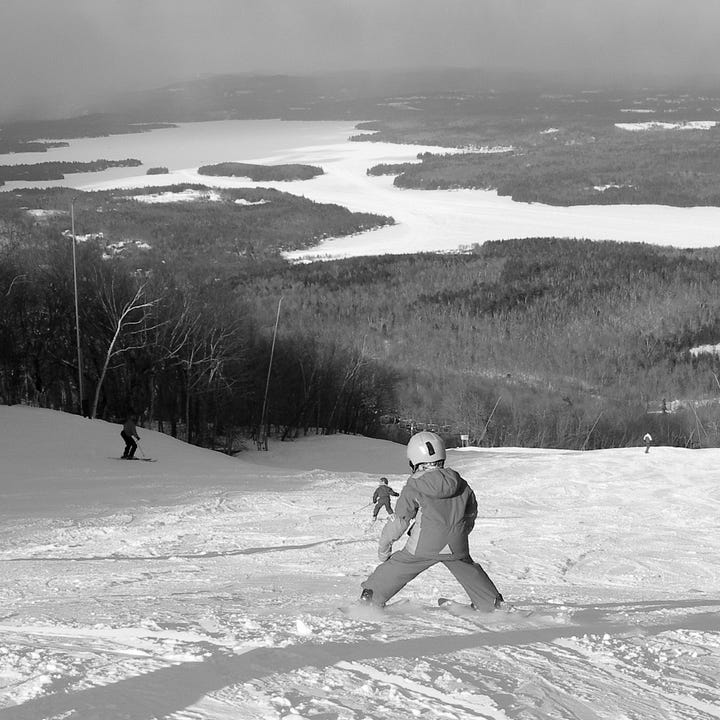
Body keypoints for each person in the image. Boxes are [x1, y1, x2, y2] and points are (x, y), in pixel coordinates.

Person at [360, 431, 504, 611]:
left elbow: (400, 522)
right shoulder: (462, 484)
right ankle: (493, 603)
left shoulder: (414, 486)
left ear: (414, 460)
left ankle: (371, 597)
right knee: (468, 569)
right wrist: (457, 534)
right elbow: (470, 514)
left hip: (423, 545)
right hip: (456, 543)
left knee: (399, 566)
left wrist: (384, 547)